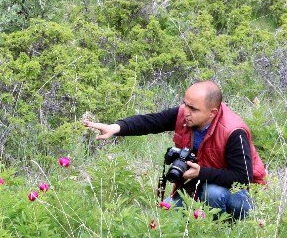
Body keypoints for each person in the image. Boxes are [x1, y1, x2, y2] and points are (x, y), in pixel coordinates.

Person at [83, 81, 266, 219]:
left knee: (214, 194)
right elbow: (151, 122)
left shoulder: (234, 131)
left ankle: (221, 233)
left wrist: (201, 173)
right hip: (198, 184)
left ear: (212, 112)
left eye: (193, 108)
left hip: (242, 194)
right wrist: (116, 128)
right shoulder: (185, 115)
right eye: (185, 104)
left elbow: (243, 178)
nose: (186, 111)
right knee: (165, 215)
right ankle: (200, 221)